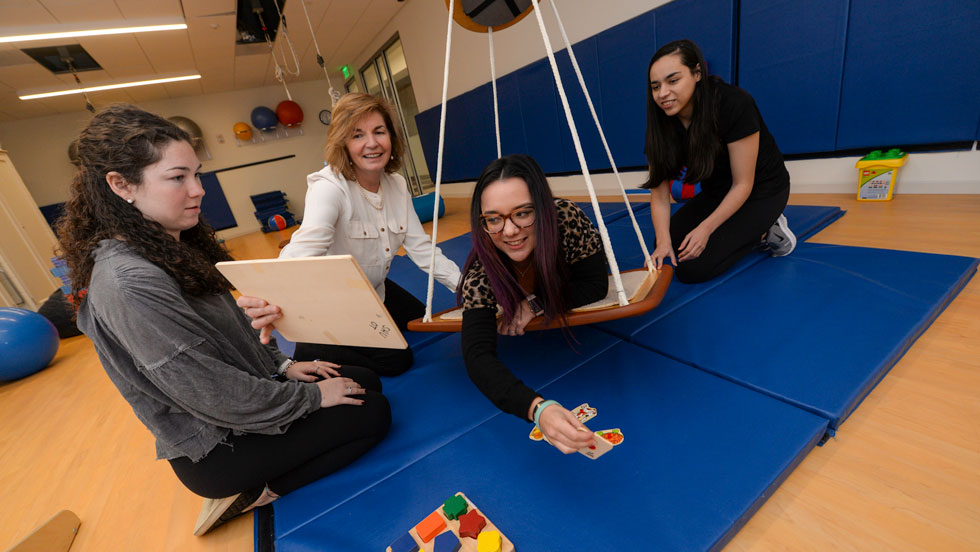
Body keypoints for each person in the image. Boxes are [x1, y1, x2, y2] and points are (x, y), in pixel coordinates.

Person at [57, 104, 391, 536]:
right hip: (217, 445)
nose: (197, 190)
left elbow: (228, 332)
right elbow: (211, 393)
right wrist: (308, 399)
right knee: (372, 412)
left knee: (364, 378)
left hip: (244, 398)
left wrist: (283, 366)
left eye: (196, 174)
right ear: (123, 185)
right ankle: (256, 491)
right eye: (178, 178)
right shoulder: (127, 281)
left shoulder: (164, 243)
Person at [242, 93, 460, 377]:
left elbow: (422, 249)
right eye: (358, 135)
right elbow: (298, 257)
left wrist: (467, 286)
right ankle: (312, 346)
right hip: (335, 301)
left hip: (372, 287)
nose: (372, 143)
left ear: (391, 137)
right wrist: (269, 302)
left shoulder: (396, 184)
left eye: (379, 131)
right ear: (343, 143)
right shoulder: (329, 188)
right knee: (398, 361)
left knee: (416, 317)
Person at [459, 154, 609, 454]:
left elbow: (596, 284)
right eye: (494, 218)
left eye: (523, 213)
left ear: (541, 208)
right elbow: (478, 357)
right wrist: (538, 409)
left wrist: (536, 304)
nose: (510, 230)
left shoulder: (565, 218)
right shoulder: (480, 274)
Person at [643, 39, 796, 284]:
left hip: (761, 190)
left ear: (697, 74)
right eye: (655, 86)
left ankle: (768, 227)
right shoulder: (661, 124)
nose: (663, 93)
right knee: (668, 244)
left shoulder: (733, 104)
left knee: (693, 269)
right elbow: (660, 197)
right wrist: (663, 242)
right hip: (718, 192)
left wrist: (705, 229)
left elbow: (743, 184)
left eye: (673, 81)